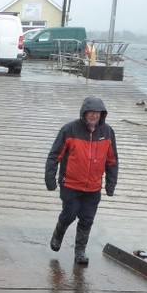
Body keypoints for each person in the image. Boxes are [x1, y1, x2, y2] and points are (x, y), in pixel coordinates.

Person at [44, 96, 118, 265]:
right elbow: (54, 156)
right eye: (90, 112)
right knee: (70, 214)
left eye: (97, 113)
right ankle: (58, 233)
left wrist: (110, 184)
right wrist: (50, 178)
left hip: (93, 187)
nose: (94, 116)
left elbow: (112, 161)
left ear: (102, 115)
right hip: (70, 184)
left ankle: (80, 252)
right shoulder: (69, 130)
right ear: (84, 113)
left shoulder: (107, 132)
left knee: (87, 218)